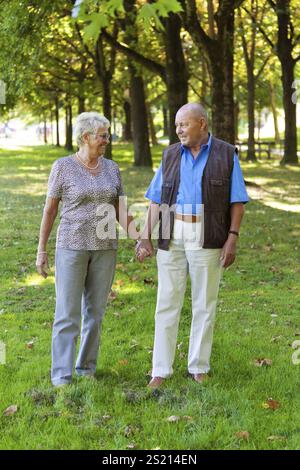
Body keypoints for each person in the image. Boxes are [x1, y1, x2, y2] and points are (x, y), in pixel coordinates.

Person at [136, 103, 249, 388]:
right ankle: (160, 370)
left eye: (183, 125)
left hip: (208, 232)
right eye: (176, 126)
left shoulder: (226, 154)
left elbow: (237, 200)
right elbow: (155, 199)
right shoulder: (170, 155)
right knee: (167, 301)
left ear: (201, 123)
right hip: (172, 231)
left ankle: (198, 366)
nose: (179, 130)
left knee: (204, 302)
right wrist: (145, 236)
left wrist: (232, 237)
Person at [36, 111, 138, 387]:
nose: (107, 140)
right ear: (85, 137)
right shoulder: (63, 167)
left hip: (105, 248)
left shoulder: (112, 168)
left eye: (107, 135)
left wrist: (138, 237)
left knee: (95, 313)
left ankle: (86, 369)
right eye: (103, 136)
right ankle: (61, 375)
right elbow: (50, 210)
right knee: (67, 313)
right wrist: (41, 250)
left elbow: (120, 209)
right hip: (72, 246)